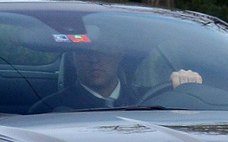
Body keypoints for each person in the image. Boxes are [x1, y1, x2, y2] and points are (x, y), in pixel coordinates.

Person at [53, 44, 201, 111]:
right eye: (85, 51)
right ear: (73, 59)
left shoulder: (154, 99)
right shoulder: (48, 109)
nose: (94, 59)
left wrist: (187, 89)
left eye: (104, 50)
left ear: (119, 55)